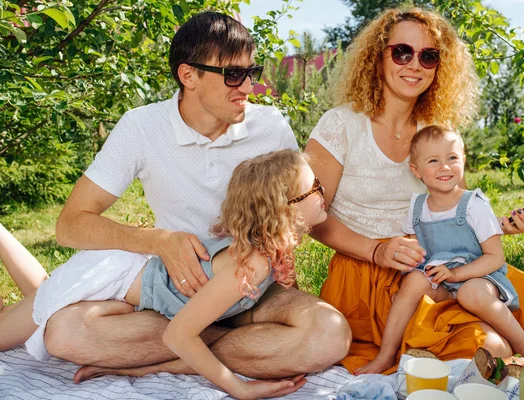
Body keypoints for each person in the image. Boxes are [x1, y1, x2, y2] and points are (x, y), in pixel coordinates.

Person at [40, 12, 350, 381]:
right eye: (233, 75)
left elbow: (292, 210)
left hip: (256, 290)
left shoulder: (270, 125)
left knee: (329, 334)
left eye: (253, 72)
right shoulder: (142, 126)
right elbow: (70, 225)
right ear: (188, 76)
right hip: (178, 296)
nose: (249, 88)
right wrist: (157, 241)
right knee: (64, 333)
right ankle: (218, 345)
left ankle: (177, 357)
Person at [304, 5, 524, 374]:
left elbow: (459, 213)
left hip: (445, 267)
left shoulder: (436, 128)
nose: (414, 65)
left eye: (429, 55)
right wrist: (376, 250)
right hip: (369, 277)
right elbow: (309, 217)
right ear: (378, 56)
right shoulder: (341, 124)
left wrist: (502, 225)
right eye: (402, 52)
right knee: (491, 346)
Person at [0, 150, 347, 399]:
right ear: (284, 210)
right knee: (23, 319)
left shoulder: (267, 251)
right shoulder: (251, 265)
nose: (322, 192)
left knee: (44, 296)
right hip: (112, 275)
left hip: (124, 277)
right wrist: (238, 388)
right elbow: (179, 335)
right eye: (313, 188)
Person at [355, 126, 524, 374]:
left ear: (463, 161)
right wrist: (409, 272)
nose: (445, 167)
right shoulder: (417, 207)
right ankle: (386, 355)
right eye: (433, 161)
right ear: (416, 171)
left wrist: (457, 275)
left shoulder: (474, 204)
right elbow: (419, 253)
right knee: (414, 282)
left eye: (452, 158)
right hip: (441, 277)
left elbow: (495, 258)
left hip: (479, 276)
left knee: (470, 293)